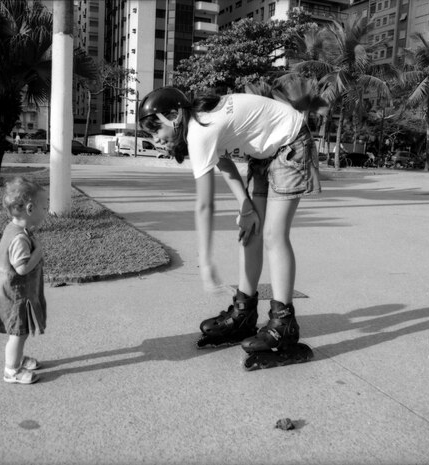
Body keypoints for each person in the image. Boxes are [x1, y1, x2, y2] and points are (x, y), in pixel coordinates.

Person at [137, 87, 321, 354]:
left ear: (174, 116)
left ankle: (284, 325)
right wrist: (246, 206)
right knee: (251, 231)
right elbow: (223, 162)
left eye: (156, 131)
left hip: (291, 144)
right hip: (264, 153)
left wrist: (207, 261)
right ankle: (244, 313)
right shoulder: (200, 119)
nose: (156, 140)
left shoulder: (200, 131)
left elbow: (205, 204)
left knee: (273, 235)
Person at [0, 177, 49, 384]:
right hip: (15, 296)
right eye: (44, 207)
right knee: (18, 333)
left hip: (12, 291)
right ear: (30, 209)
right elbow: (21, 268)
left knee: (18, 333)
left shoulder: (12, 228)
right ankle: (11, 370)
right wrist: (37, 253)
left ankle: (18, 358)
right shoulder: (20, 238)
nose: (46, 211)